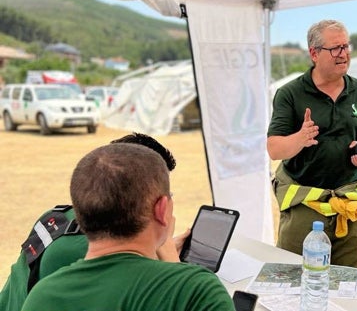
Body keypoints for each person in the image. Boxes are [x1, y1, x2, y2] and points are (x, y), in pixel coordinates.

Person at [21, 142, 234, 311]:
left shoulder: (43, 296)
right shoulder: (196, 291)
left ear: (80, 212)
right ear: (161, 210)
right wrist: (171, 258)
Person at [0, 133, 187, 311]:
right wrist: (169, 254)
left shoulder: (58, 217)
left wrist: (155, 246)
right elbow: (175, 298)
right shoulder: (88, 251)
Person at [267, 19, 357, 269]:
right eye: (335, 48)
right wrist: (299, 139)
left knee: (349, 281)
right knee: (294, 274)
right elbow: (275, 149)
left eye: (346, 46)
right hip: (306, 203)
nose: (344, 54)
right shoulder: (290, 94)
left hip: (352, 200)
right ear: (314, 53)